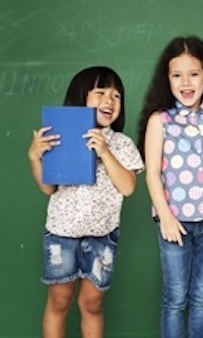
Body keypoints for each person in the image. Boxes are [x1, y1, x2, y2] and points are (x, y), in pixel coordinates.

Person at [28, 66, 144, 338]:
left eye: (116, 96)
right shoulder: (60, 138)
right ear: (80, 98)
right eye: (100, 93)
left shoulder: (122, 144)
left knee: (92, 304)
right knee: (59, 301)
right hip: (62, 234)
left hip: (102, 236)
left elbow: (128, 187)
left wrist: (104, 151)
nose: (109, 101)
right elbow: (48, 188)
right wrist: (35, 157)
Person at [136, 35, 203, 338]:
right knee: (175, 298)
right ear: (166, 79)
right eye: (176, 75)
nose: (185, 82)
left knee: (201, 299)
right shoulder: (160, 121)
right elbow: (152, 173)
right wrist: (166, 218)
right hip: (175, 226)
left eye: (193, 74)